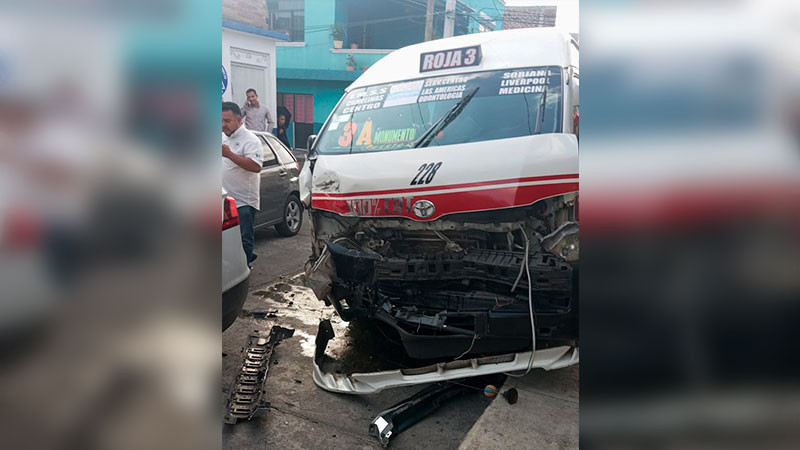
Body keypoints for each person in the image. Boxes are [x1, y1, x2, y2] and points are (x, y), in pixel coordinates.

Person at [222, 102, 262, 266]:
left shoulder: (251, 140)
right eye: (221, 121)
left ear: (239, 120)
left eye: (228, 121)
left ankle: (244, 271)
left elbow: (256, 166)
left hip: (243, 201)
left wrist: (230, 155)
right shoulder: (221, 136)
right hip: (223, 200)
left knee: (243, 237)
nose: (223, 124)